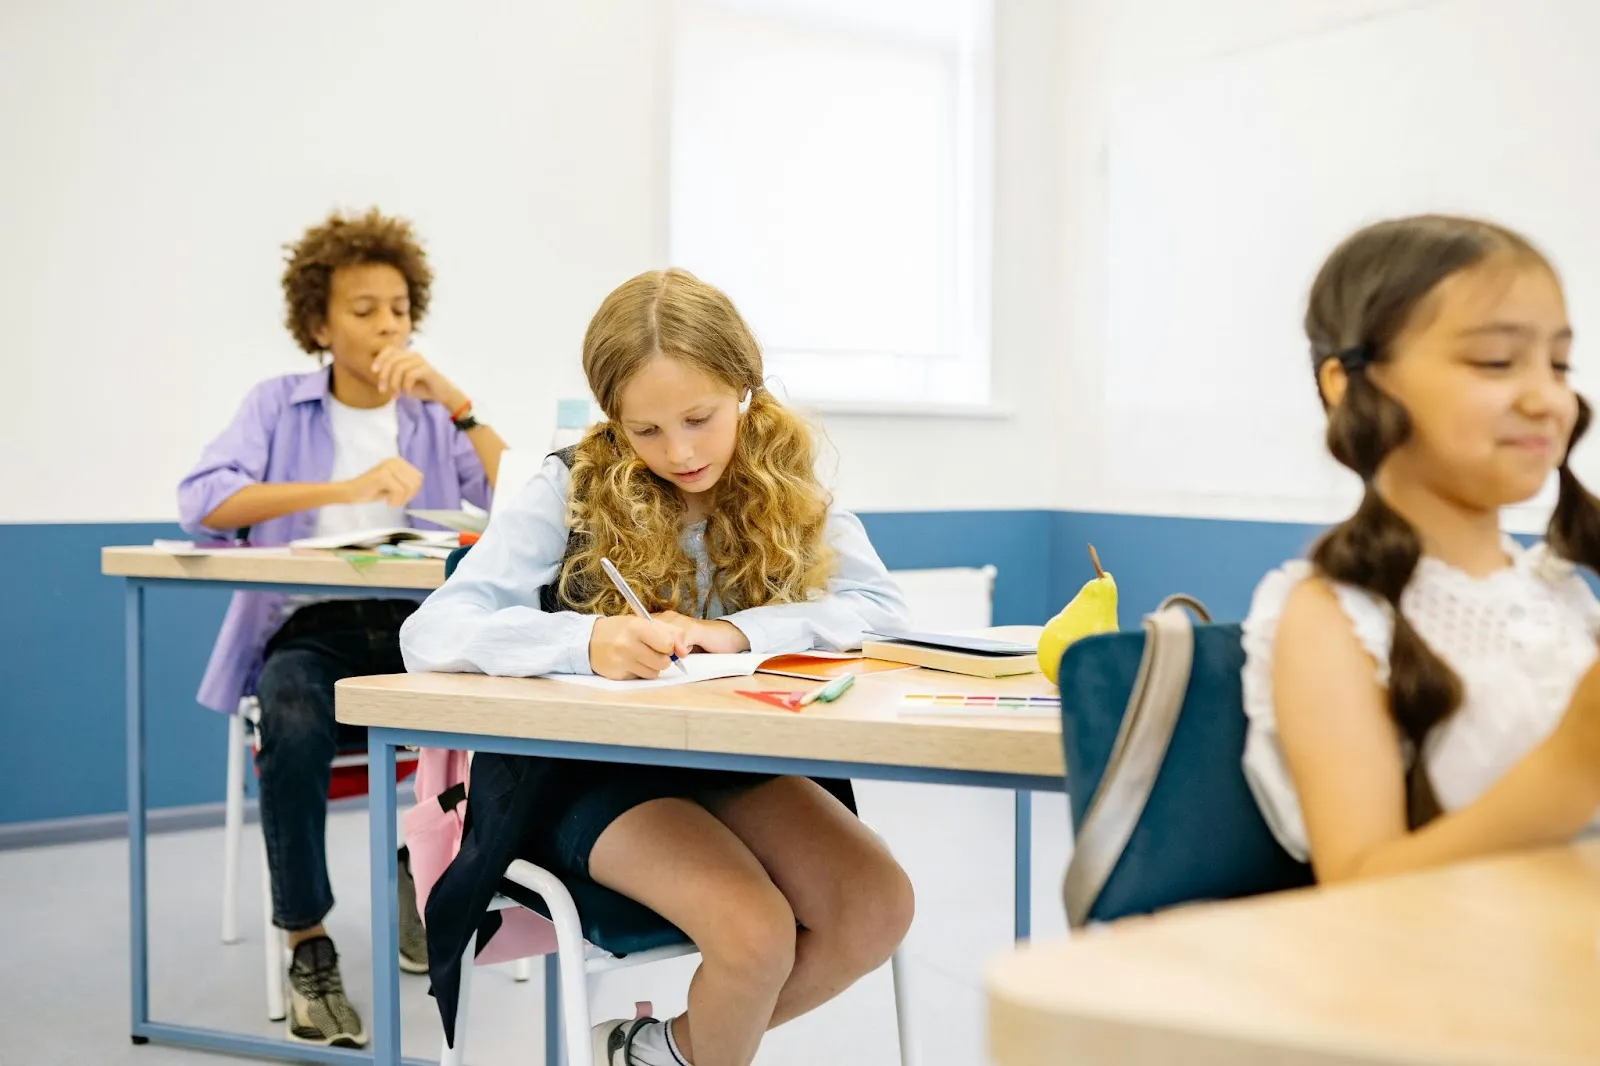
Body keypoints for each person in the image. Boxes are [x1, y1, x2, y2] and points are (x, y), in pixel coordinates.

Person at [401, 268, 915, 1066]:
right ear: (613, 420)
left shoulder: (781, 475)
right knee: (754, 933)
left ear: (743, 388)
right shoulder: (568, 484)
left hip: (727, 759)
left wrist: (742, 632)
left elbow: (882, 609)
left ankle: (655, 1053)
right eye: (645, 432)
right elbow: (433, 631)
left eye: (701, 419)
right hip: (584, 773)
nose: (679, 452)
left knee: (877, 906)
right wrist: (584, 642)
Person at [178, 208, 506, 1047]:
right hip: (312, 626)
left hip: (415, 626)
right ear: (320, 324)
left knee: (504, 706)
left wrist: (460, 404)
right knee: (286, 716)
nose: (387, 324)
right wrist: (340, 489)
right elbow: (202, 502)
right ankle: (307, 942)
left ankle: (425, 873)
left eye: (398, 307)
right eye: (364, 309)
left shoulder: (435, 415)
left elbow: (525, 507)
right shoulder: (276, 407)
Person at [1241, 214, 1600, 886]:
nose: (1546, 397)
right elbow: (1359, 883)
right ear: (1350, 384)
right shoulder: (1333, 619)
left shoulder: (1561, 595)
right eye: (1496, 361)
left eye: (1559, 363)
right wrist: (1575, 764)